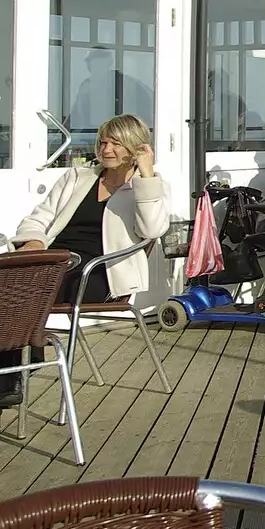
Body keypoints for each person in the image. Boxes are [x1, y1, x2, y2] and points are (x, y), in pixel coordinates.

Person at [3, 114, 170, 408]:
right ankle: (26, 353)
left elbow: (152, 230)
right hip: (53, 262)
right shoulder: (77, 178)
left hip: (101, 273)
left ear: (134, 147)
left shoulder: (149, 187)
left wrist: (147, 175)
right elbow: (39, 217)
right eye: (103, 141)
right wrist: (34, 241)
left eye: (116, 143)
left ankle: (13, 375)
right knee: (10, 283)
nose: (106, 149)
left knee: (19, 290)